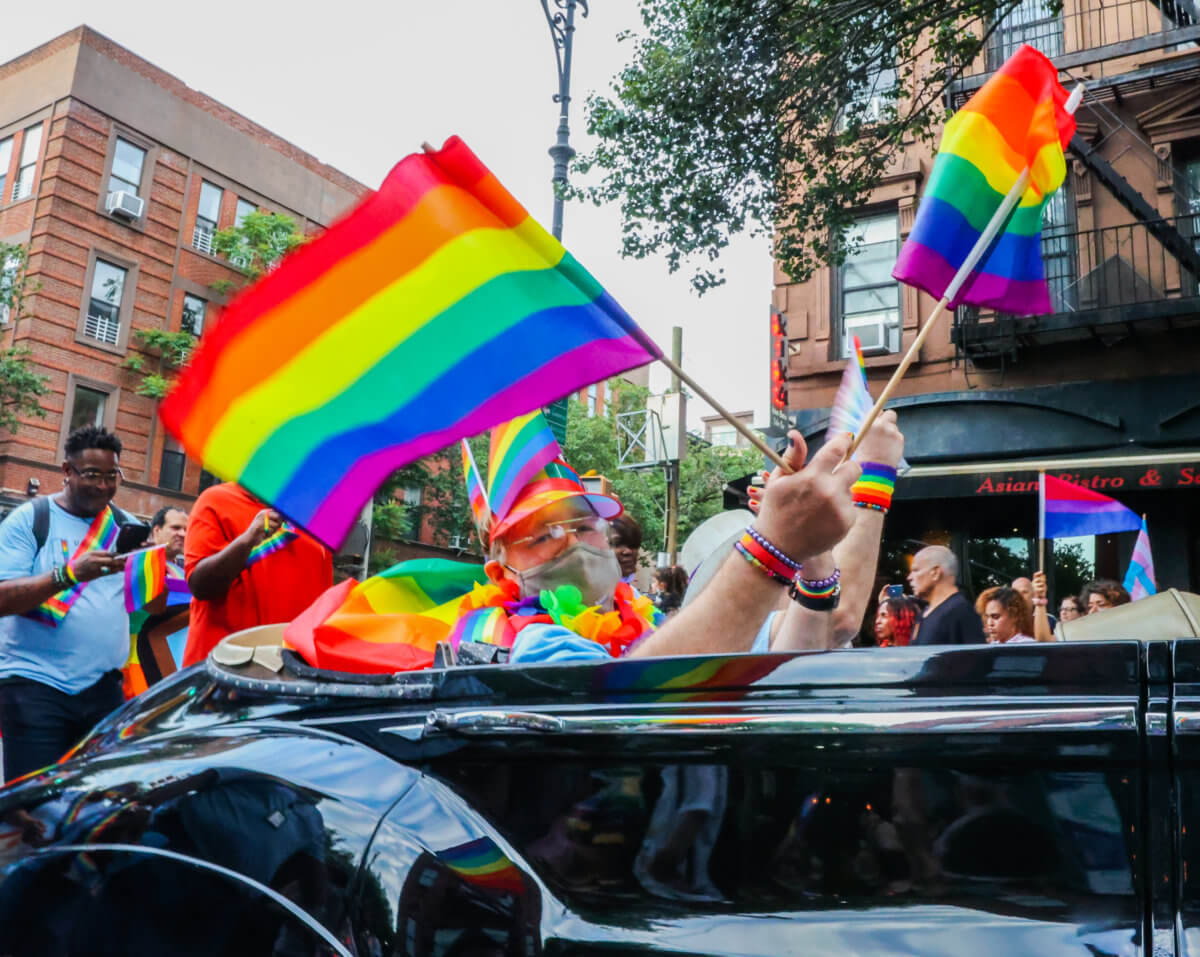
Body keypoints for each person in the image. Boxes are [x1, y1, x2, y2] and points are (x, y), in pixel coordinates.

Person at [0, 426, 134, 781]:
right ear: (66, 472)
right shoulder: (31, 519)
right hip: (34, 687)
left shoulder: (128, 528)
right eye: (92, 475)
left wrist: (156, 573)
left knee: (96, 803)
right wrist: (68, 574)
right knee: (32, 805)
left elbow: (149, 606)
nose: (104, 486)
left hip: (103, 691)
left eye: (112, 476)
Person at [183, 482, 332, 666]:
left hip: (291, 677)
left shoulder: (315, 522)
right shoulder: (215, 501)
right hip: (224, 672)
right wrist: (250, 538)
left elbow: (320, 612)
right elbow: (200, 585)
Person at [907, 546, 985, 646]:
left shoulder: (961, 612)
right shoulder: (924, 614)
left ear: (936, 573)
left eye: (916, 570)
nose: (909, 577)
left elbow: (977, 659)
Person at [608, 513, 643, 584]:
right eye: (617, 543)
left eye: (634, 545)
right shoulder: (582, 593)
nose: (628, 551)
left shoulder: (635, 594)